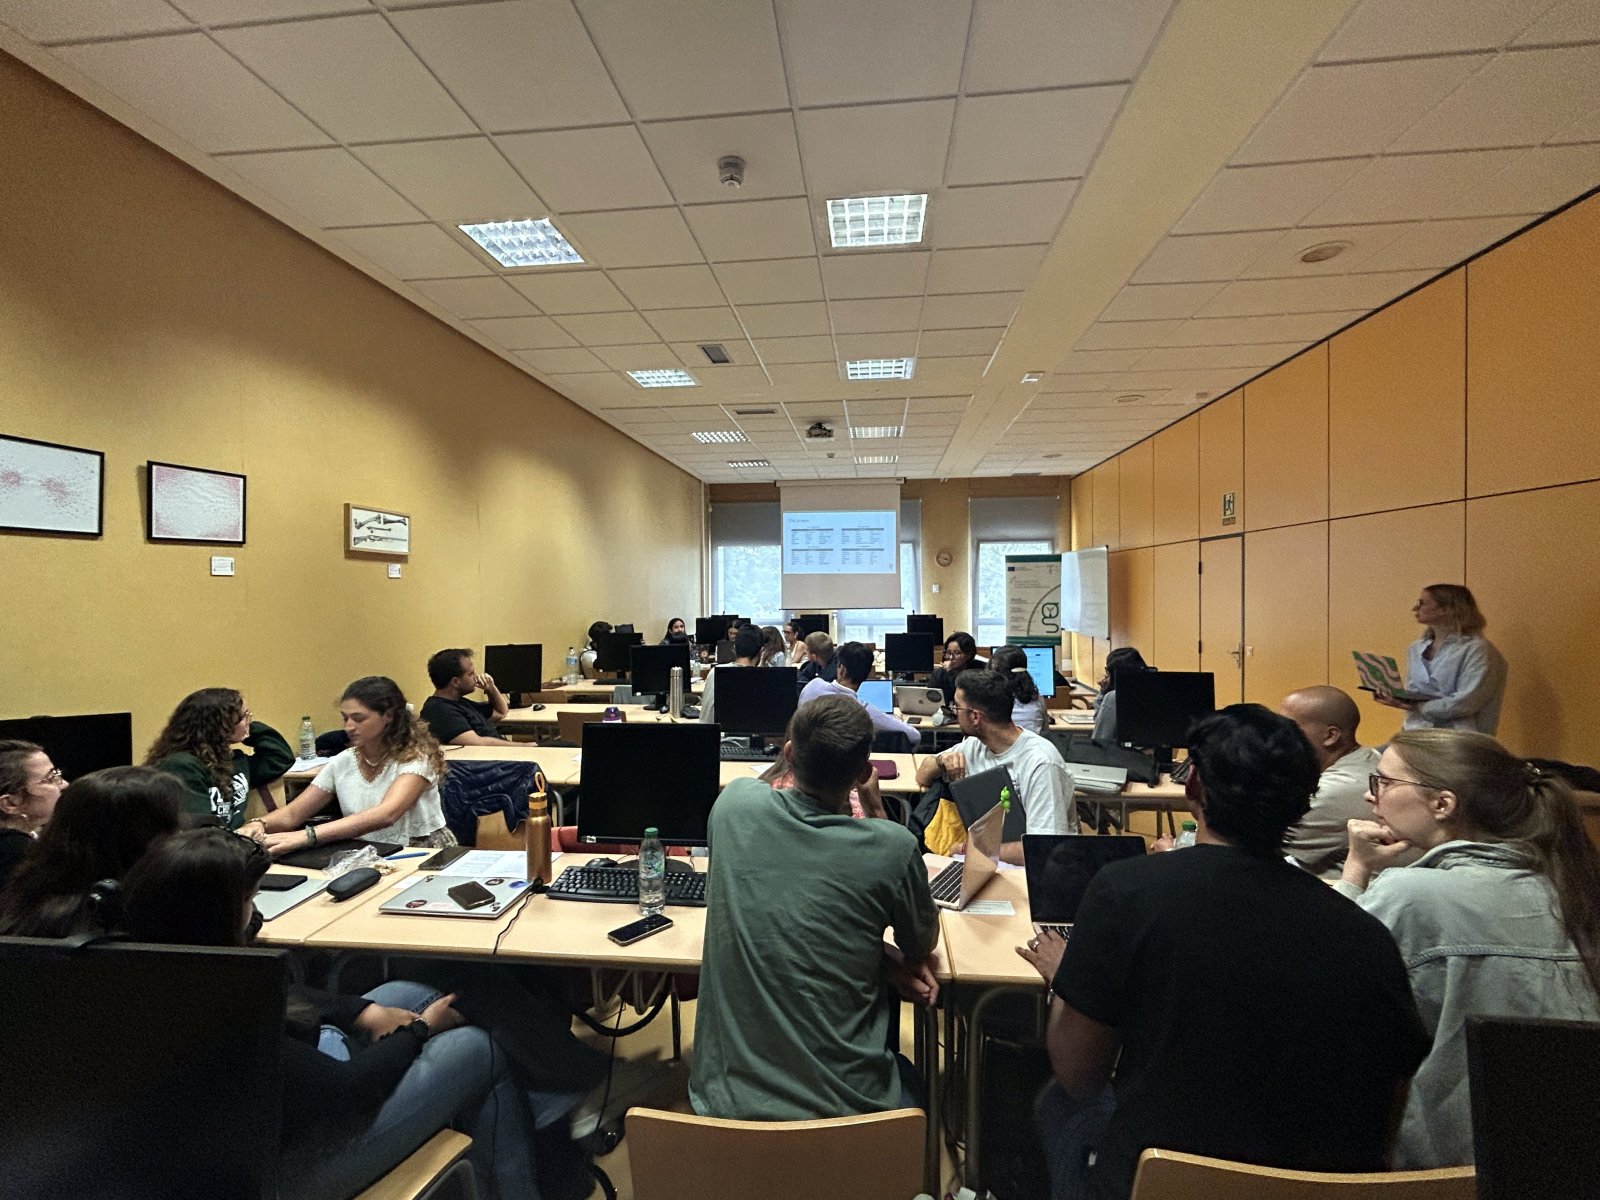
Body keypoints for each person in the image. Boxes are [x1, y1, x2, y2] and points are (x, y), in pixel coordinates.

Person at [1018, 705, 1429, 1200]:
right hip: (1319, 1189)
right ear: (1304, 801)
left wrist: (1069, 979)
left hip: (1159, 1183)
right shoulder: (1367, 935)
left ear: (1193, 785)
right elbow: (1389, 1104)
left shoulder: (1124, 891)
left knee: (1056, 1105)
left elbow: (1079, 1076)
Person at [119, 827, 589, 1200]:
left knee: (405, 991)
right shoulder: (218, 1014)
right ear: (215, 916)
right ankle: (534, 1166)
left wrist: (365, 1011)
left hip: (278, 1120)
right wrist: (419, 1030)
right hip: (279, 1175)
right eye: (249, 900)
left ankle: (537, 1139)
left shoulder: (158, 970)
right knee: (473, 1048)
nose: (255, 911)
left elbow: (296, 997)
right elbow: (347, 1090)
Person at [1336, 729, 1600, 1168]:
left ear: (1443, 804)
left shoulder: (1412, 894)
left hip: (1445, 1168)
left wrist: (1355, 869)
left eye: (1383, 782)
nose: (1370, 796)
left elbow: (1325, 990)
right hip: (1566, 1157)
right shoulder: (1571, 886)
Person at [690, 694, 939, 1120]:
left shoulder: (733, 806)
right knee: (915, 1082)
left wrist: (876, 959)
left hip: (725, 1109)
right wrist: (876, 808)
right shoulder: (892, 848)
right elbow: (920, 943)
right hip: (851, 1116)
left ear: (789, 754)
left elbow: (791, 911)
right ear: (863, 773)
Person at [244, 677, 454, 856]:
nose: (349, 727)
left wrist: (307, 836)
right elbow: (292, 814)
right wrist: (258, 824)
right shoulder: (343, 761)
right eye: (345, 718)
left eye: (358, 719)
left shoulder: (415, 758)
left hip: (422, 852)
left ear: (388, 716)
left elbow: (386, 814)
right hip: (369, 852)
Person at [914, 668, 1075, 864]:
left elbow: (1041, 848)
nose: (953, 711)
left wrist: (966, 850)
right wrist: (941, 762)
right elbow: (922, 776)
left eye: (956, 706)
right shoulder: (974, 745)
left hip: (1028, 872)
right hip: (986, 862)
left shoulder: (1041, 764)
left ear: (975, 717)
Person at [0, 766, 183, 938]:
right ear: (141, 839)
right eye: (173, 824)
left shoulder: (26, 905)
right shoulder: (152, 920)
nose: (182, 834)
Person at [146, 688, 294, 830]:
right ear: (221, 725)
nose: (249, 720)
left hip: (230, 841)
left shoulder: (233, 761)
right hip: (206, 844)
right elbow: (197, 829)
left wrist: (247, 729)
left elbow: (280, 758)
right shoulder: (181, 766)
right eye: (243, 717)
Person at [1278, 685, 1380, 878]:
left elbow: (1241, 842)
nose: (1277, 736)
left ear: (1331, 736)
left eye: (1289, 728)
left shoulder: (1334, 790)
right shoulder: (1366, 756)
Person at [1376, 584, 1507, 734]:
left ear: (1446, 609)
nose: (1415, 608)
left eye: (1422, 603)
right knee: (1374, 749)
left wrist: (1418, 707)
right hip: (1414, 730)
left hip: (1460, 736)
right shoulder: (1416, 648)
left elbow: (1466, 702)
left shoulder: (1478, 649)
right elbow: (1414, 693)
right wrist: (1397, 698)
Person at [799, 640, 919, 750]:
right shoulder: (862, 711)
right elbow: (914, 736)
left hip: (804, 760)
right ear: (867, 675)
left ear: (841, 669)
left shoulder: (812, 687)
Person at [0, 740, 67, 889]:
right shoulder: (17, 855)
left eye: (57, 775)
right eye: (50, 779)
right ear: (10, 803)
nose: (64, 784)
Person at [419, 648, 517, 748]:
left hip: (501, 753)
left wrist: (490, 688)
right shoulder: (439, 710)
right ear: (455, 682)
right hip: (490, 755)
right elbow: (478, 743)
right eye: (471, 674)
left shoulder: (460, 702)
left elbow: (501, 712)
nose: (476, 677)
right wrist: (523, 746)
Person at [698, 624, 764, 725]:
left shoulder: (716, 672)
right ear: (761, 651)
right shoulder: (760, 680)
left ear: (734, 648)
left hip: (713, 734)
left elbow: (706, 719)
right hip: (746, 735)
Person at [1090, 646, 1148, 745]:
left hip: (1123, 752)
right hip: (1154, 752)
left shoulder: (1114, 697)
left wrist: (1102, 694)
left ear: (1115, 675)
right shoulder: (1154, 692)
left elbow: (1101, 736)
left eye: (1108, 674)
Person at [992, 645, 1048, 734]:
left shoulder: (991, 699)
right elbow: (1044, 730)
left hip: (1002, 743)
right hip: (1033, 742)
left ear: (996, 668)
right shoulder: (1037, 698)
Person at [929, 632, 984, 705]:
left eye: (957, 653)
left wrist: (951, 673)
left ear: (968, 655)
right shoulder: (939, 674)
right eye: (948, 652)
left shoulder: (980, 672)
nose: (951, 657)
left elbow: (967, 696)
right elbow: (930, 700)